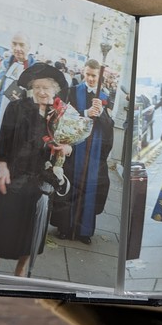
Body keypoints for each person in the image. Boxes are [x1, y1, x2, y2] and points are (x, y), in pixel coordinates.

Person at [0, 63, 71, 276]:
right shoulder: (17, 107)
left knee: (31, 228)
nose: (42, 91)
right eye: (38, 87)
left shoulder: (60, 115)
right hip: (14, 175)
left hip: (42, 180)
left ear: (54, 91)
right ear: (31, 88)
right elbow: (4, 139)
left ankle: (21, 269)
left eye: (47, 88)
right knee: (5, 222)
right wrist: (2, 167)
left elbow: (69, 142)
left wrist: (67, 148)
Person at [51, 59, 114, 245]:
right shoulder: (72, 91)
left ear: (99, 76)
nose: (91, 78)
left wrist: (101, 113)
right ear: (83, 73)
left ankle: (84, 230)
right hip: (75, 147)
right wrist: (86, 113)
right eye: (88, 74)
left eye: (94, 75)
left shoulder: (104, 96)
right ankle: (64, 227)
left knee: (89, 188)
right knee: (70, 185)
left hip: (93, 150)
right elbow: (62, 114)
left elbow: (110, 125)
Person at [0, 32, 36, 220]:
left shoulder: (35, 68)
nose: (17, 48)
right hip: (1, 123)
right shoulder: (6, 64)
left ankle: (6, 213)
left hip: (21, 126)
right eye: (14, 44)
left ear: (29, 46)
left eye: (21, 44)